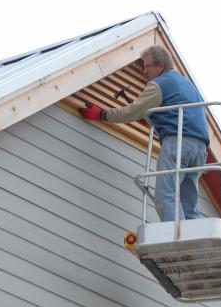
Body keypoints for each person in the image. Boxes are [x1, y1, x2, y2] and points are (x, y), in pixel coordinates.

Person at [79, 45, 209, 222]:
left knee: (166, 198)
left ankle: (177, 241)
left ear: (160, 66)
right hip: (200, 150)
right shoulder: (189, 87)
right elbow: (182, 114)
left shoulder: (159, 84)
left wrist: (102, 114)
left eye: (147, 66)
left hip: (177, 144)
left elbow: (130, 111)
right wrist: (152, 120)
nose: (144, 71)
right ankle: (195, 242)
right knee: (188, 205)